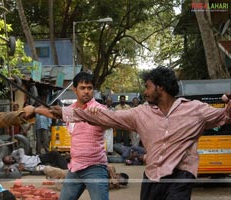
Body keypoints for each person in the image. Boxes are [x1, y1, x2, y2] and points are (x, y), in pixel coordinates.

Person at [46, 66, 231, 200]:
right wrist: (65, 112)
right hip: (152, 176)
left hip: (180, 176)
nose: (144, 92)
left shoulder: (195, 110)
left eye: (148, 87)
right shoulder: (141, 113)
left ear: (160, 88)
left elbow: (224, 116)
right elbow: (109, 118)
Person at [35, 72, 109, 200]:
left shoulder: (98, 109)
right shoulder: (69, 110)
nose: (86, 91)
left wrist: (99, 116)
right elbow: (53, 113)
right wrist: (34, 109)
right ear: (75, 90)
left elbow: (109, 122)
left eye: (89, 88)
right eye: (82, 88)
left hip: (95, 167)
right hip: (75, 168)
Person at [43, 164, 129, 190]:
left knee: (61, 187)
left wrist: (114, 184)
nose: (117, 179)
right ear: (119, 174)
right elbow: (109, 167)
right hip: (83, 171)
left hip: (82, 183)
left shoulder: (111, 184)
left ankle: (53, 178)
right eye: (119, 177)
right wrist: (112, 176)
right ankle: (45, 168)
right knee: (61, 172)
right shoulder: (112, 170)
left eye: (120, 181)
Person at [2, 148, 68, 172]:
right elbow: (11, 170)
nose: (11, 159)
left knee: (54, 153)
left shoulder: (14, 153)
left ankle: (67, 169)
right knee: (53, 168)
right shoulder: (14, 165)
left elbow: (21, 149)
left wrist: (21, 162)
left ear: (9, 155)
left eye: (9, 158)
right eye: (9, 161)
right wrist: (7, 169)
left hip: (38, 159)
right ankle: (66, 165)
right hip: (36, 167)